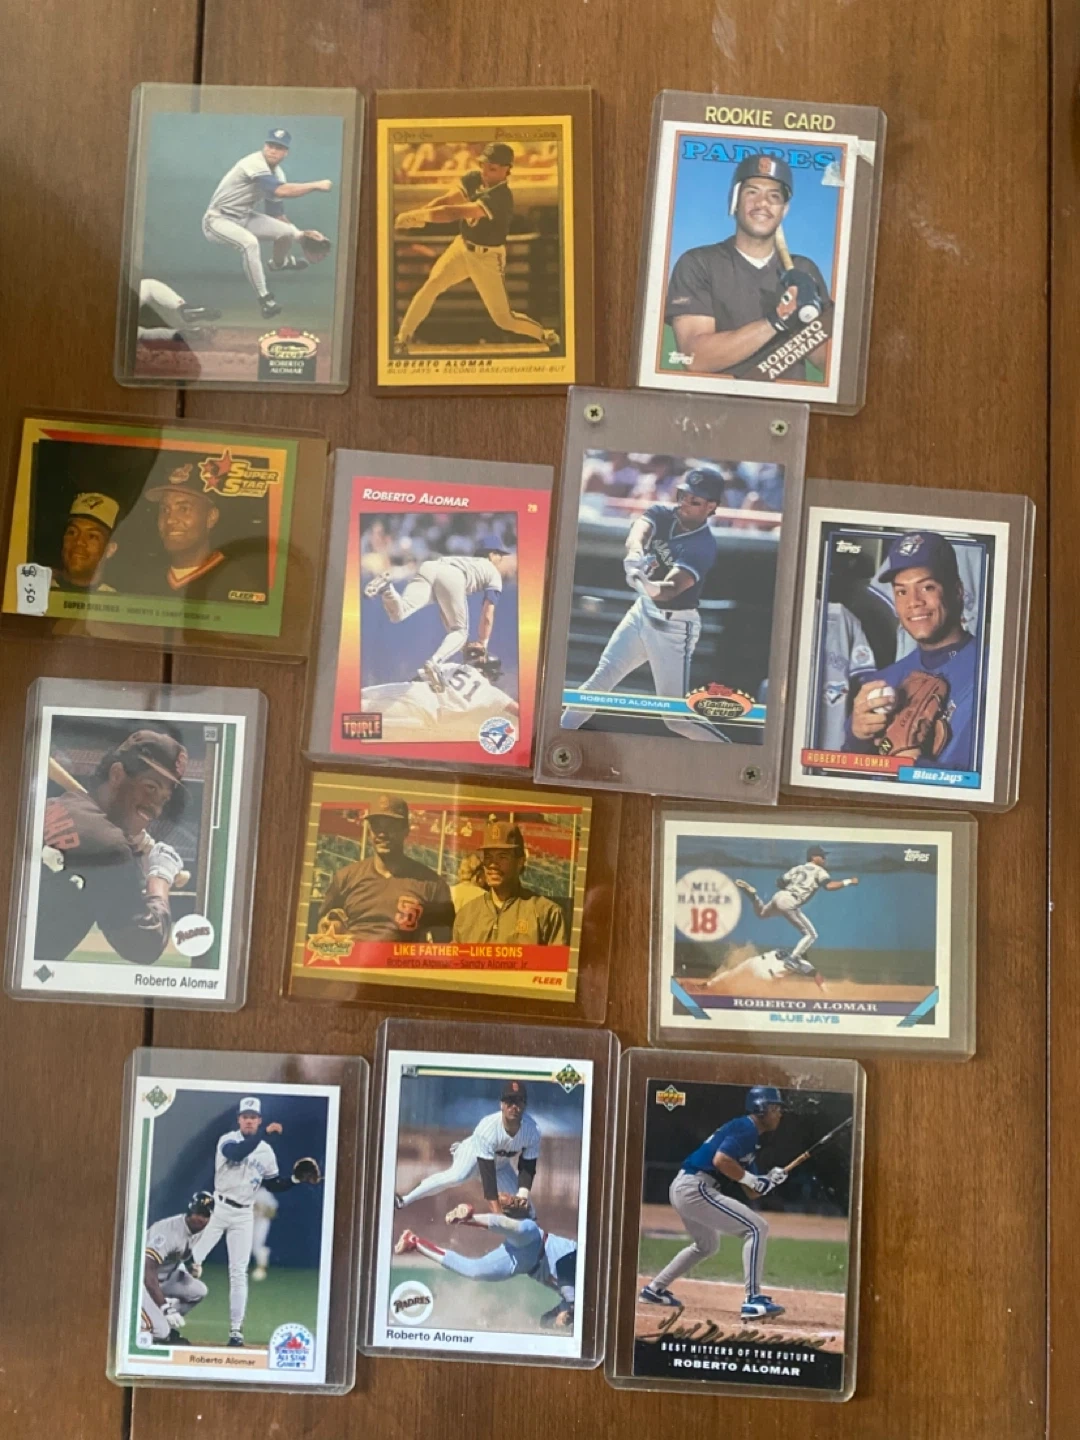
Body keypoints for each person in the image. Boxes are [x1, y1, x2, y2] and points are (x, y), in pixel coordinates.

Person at [561, 468, 727, 740]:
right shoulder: (664, 513)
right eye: (683, 495)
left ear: (711, 506)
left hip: (674, 625)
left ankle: (728, 752)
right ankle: (557, 734)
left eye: (695, 500)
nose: (685, 503)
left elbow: (671, 589)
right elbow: (640, 529)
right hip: (641, 613)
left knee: (676, 719)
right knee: (598, 683)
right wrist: (636, 552)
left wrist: (646, 584)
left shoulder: (703, 545)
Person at [665, 154, 830, 379]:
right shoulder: (698, 263)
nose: (763, 203)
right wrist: (777, 320)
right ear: (735, 201)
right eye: (752, 192)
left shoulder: (804, 270)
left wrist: (808, 319)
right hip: (722, 399)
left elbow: (829, 364)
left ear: (784, 210)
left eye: (774, 196)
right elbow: (695, 359)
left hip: (786, 399)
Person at [36, 729, 187, 964]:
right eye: (150, 787)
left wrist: (126, 842)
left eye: (163, 799)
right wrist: (160, 876)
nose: (157, 809)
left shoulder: (53, 806)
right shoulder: (107, 844)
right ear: (117, 774)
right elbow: (144, 945)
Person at [393, 141, 559, 352]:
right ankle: (402, 339)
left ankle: (545, 335)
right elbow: (448, 199)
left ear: (506, 170)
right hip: (462, 247)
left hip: (487, 258)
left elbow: (455, 212)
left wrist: (419, 216)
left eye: (493, 168)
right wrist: (421, 214)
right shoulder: (474, 178)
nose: (486, 172)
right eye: (484, 165)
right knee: (431, 286)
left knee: (504, 319)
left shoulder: (501, 198)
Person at [639, 1086, 788, 1320]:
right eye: (775, 1108)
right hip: (695, 1187)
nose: (779, 1113)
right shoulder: (746, 1127)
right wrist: (753, 1179)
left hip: (685, 1187)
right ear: (760, 1108)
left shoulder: (750, 1140)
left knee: (707, 1245)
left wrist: (769, 1180)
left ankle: (654, 1290)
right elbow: (721, 1161)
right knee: (757, 1228)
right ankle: (752, 1300)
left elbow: (751, 1191)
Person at [189, 1097, 321, 1347]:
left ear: (259, 1120)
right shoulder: (228, 1140)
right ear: (239, 1119)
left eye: (253, 1117)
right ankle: (167, 1313)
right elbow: (237, 1154)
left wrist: (294, 1179)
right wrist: (265, 1136)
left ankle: (236, 1331)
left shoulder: (266, 1151)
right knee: (192, 1261)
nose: (249, 1121)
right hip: (219, 1209)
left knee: (238, 1272)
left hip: (244, 1214)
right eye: (245, 1117)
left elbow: (273, 1184)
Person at [842, 532, 979, 771]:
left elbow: (998, 781)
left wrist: (915, 768)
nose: (913, 602)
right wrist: (857, 738)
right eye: (901, 592)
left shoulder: (994, 674)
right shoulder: (882, 682)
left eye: (927, 587)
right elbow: (845, 776)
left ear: (957, 591)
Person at [201, 127, 334, 319]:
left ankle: (280, 263)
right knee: (249, 243)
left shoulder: (278, 175)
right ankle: (265, 300)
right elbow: (281, 191)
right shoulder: (254, 162)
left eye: (279, 147)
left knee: (286, 231)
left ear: (286, 152)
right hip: (217, 220)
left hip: (244, 217)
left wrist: (301, 235)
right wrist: (315, 185)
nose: (273, 150)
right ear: (264, 146)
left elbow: (276, 213)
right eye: (270, 145)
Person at [395, 1206, 576, 1330]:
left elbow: (546, 1320)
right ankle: (469, 1217)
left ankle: (414, 1243)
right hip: (538, 1241)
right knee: (518, 1227)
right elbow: (566, 1265)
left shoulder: (575, 1302)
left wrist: (560, 1320)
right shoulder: (581, 1274)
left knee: (475, 1271)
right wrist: (571, 1305)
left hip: (524, 1262)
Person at [365, 544, 516, 689]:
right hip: (452, 575)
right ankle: (434, 663)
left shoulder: (468, 562)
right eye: (500, 555)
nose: (502, 559)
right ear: (492, 555)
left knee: (399, 612)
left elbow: (445, 612)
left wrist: (460, 644)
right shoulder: (493, 572)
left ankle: (387, 588)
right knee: (461, 632)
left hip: (429, 567)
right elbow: (488, 613)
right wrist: (483, 643)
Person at [316, 794, 454, 941]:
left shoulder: (433, 884)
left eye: (391, 826)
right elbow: (322, 928)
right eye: (377, 826)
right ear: (369, 831)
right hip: (355, 955)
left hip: (402, 955)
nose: (382, 834)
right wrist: (332, 927)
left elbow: (444, 943)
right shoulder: (345, 878)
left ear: (406, 830)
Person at [395, 1079, 539, 1217]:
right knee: (457, 1177)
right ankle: (405, 1199)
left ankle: (537, 1235)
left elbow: (528, 1167)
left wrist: (522, 1195)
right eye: (509, 1101)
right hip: (472, 1155)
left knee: (529, 1212)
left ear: (524, 1105)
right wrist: (497, 1213)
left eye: (518, 1101)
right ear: (501, 1104)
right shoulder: (488, 1128)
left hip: (500, 1166)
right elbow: (487, 1176)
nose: (514, 1106)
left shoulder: (532, 1130)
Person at [142, 463, 264, 602]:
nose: (170, 520)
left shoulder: (239, 582)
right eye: (165, 510)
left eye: (183, 509)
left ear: (211, 517)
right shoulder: (143, 582)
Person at [734, 845, 859, 969]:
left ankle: (754, 896)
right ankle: (792, 959)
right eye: (822, 856)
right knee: (811, 935)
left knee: (762, 913)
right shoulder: (820, 871)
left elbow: (779, 882)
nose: (824, 859)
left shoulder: (798, 868)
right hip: (790, 901)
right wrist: (848, 881)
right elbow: (829, 886)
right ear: (813, 857)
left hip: (780, 895)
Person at [453, 823, 567, 946]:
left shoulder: (546, 913)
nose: (492, 864)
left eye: (502, 857)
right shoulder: (466, 915)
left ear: (520, 862)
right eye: (488, 857)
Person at [360, 655, 518, 738]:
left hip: (424, 694)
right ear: (493, 675)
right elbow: (518, 710)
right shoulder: (494, 693)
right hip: (429, 719)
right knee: (365, 727)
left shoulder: (462, 667)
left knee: (365, 701)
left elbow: (421, 677)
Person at [139, 1191, 213, 1345]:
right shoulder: (168, 1232)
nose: (199, 1218)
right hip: (140, 1281)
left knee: (198, 1291)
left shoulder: (199, 1230)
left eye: (205, 1215)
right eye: (197, 1213)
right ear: (189, 1211)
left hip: (163, 1279)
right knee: (160, 1332)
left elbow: (180, 1251)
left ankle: (163, 1323)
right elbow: (147, 1270)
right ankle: (142, 1325)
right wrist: (165, 1307)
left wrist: (191, 1266)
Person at [50, 493, 119, 593]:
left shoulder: (117, 599)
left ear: (110, 549)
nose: (79, 541)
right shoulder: (38, 592)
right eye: (72, 532)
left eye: (92, 536)